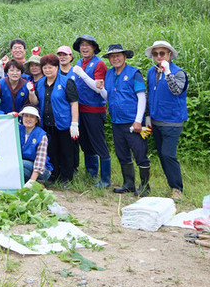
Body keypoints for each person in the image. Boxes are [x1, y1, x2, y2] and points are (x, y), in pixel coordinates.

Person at [96, 44, 151, 197]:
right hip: (116, 121)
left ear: (124, 56)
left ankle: (145, 186)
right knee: (122, 154)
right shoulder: (109, 74)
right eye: (112, 57)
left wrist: (138, 120)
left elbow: (141, 97)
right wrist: (100, 88)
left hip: (133, 122)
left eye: (118, 55)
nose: (115, 59)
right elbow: (108, 96)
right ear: (109, 59)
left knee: (140, 154)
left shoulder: (134, 73)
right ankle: (128, 184)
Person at [145, 40, 189, 200]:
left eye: (162, 53)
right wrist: (148, 116)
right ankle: (172, 185)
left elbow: (176, 90)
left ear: (170, 55)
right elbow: (149, 94)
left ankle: (177, 188)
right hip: (156, 120)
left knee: (168, 154)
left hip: (172, 121)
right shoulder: (151, 72)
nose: (158, 56)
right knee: (162, 156)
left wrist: (168, 72)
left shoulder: (178, 73)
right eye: (155, 53)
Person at [27, 54, 79, 187]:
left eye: (50, 67)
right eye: (45, 68)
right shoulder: (40, 84)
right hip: (47, 123)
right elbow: (36, 102)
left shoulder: (66, 82)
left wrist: (74, 123)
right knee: (52, 151)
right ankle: (53, 175)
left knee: (66, 151)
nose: (47, 70)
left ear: (56, 67)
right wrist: (31, 92)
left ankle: (66, 178)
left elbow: (74, 103)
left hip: (63, 123)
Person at [70, 34, 112, 188]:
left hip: (94, 110)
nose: (84, 48)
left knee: (98, 143)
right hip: (80, 109)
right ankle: (91, 174)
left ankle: (106, 179)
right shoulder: (79, 62)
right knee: (86, 143)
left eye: (88, 45)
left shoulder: (99, 64)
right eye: (82, 45)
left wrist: (82, 74)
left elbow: (98, 87)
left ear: (94, 47)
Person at [18, 107, 52, 186]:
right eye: (26, 116)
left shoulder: (42, 135)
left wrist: (32, 181)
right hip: (24, 165)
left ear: (36, 120)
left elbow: (40, 162)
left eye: (32, 117)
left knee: (20, 164)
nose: (28, 119)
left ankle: (35, 182)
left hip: (40, 170)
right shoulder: (18, 129)